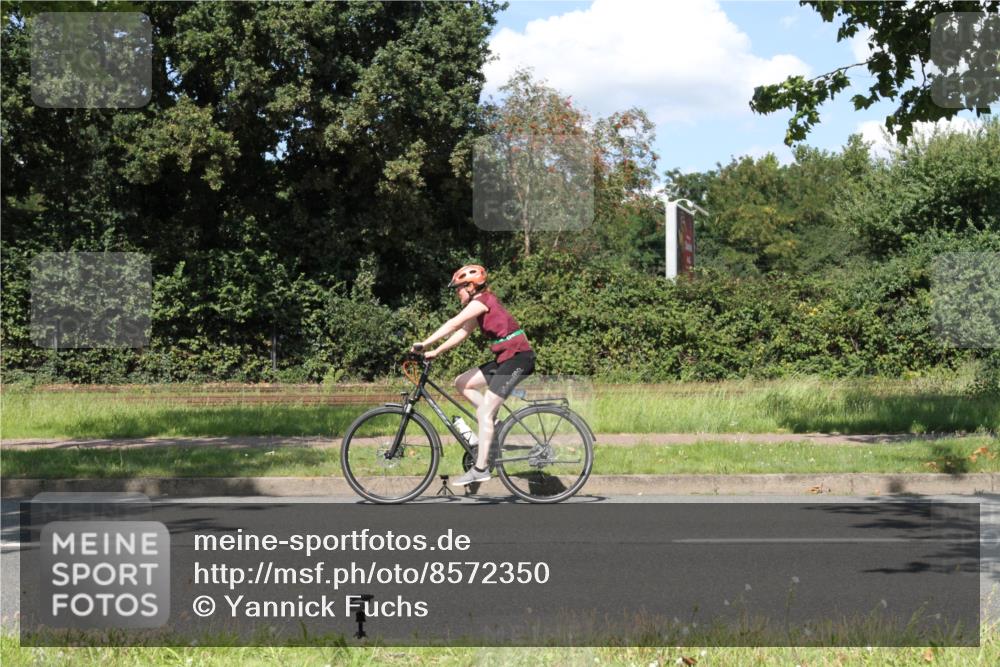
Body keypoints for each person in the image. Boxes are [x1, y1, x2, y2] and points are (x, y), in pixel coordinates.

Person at [411, 264, 535, 486]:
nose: (457, 293)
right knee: (462, 383)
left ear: (470, 287)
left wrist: (424, 343)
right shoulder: (478, 306)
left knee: (484, 413)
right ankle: (494, 424)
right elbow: (462, 332)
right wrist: (436, 351)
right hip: (505, 358)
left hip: (518, 358)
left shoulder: (481, 301)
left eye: (458, 288)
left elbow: (453, 323)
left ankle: (481, 468)